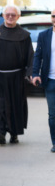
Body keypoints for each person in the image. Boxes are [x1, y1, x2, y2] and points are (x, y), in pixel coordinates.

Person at [0, 4, 33, 145]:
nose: (10, 17)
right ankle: (0, 131)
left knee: (15, 105)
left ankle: (14, 133)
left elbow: (30, 57)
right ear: (3, 16)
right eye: (7, 14)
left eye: (13, 15)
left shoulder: (24, 36)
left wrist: (30, 73)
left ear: (18, 16)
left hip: (17, 77)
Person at [31, 9, 55, 152]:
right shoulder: (44, 35)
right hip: (50, 80)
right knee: (53, 114)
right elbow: (38, 56)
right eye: (53, 15)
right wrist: (35, 73)